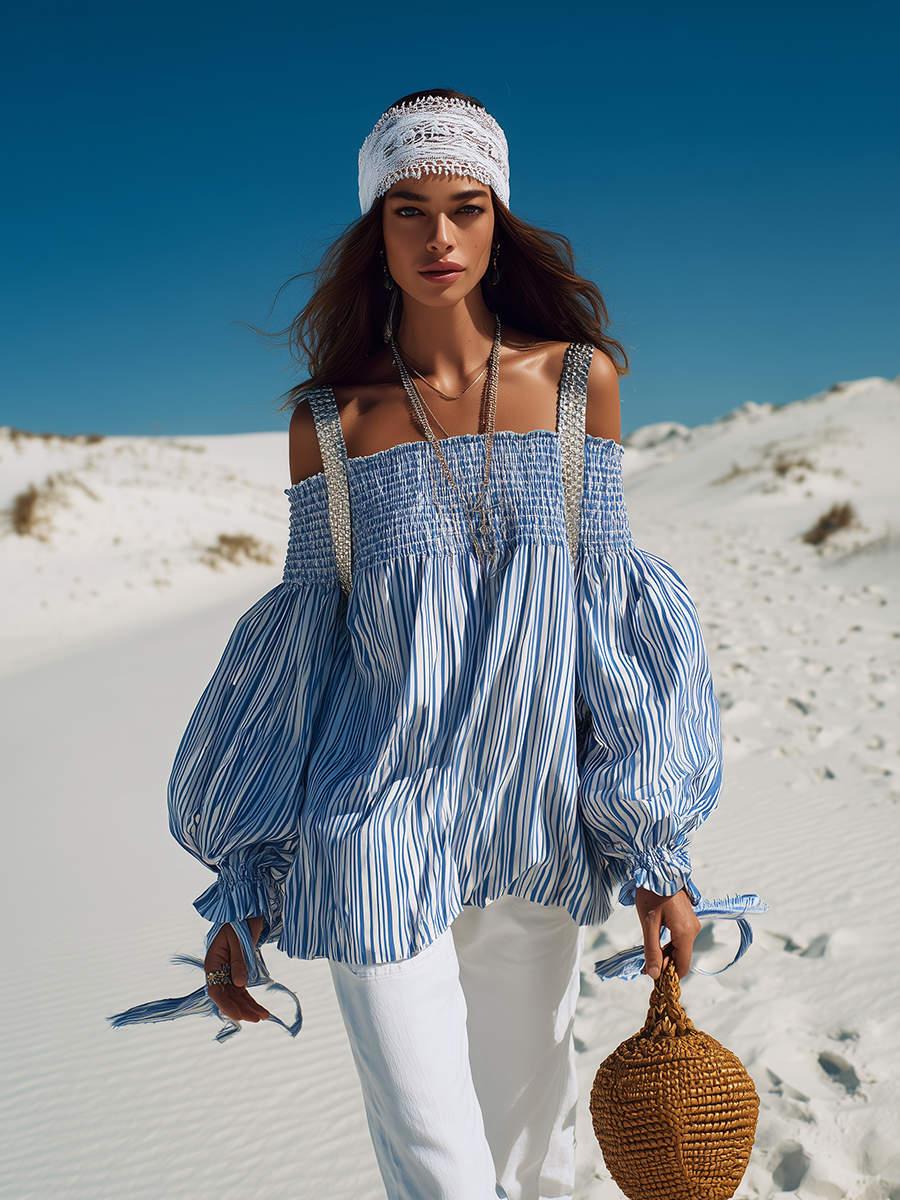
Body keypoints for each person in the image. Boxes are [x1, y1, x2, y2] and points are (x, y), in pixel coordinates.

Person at [117, 89, 727, 1200]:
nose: (439, 237)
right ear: (376, 227)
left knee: (531, 1162)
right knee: (442, 1178)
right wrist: (247, 875)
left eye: (465, 206)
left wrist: (654, 854)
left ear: (499, 221)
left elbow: (615, 628)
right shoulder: (328, 423)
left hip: (530, 823)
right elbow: (301, 654)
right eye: (409, 209)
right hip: (373, 831)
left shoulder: (581, 387)